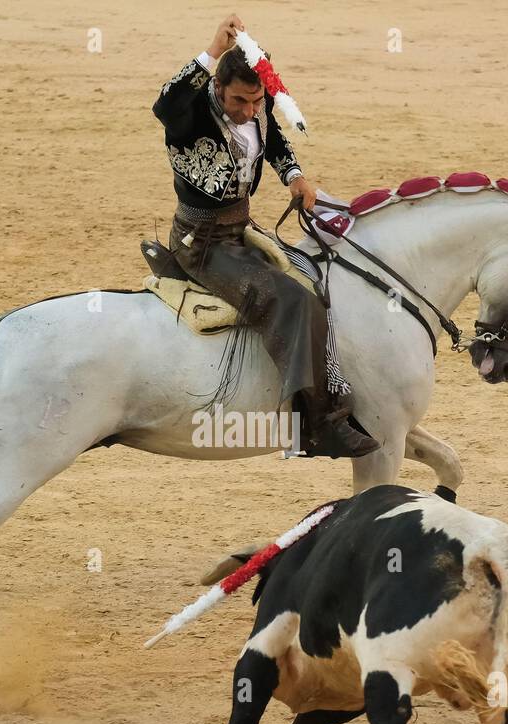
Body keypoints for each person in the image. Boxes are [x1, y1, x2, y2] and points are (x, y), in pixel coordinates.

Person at [152, 13, 379, 458]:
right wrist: (212, 51)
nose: (249, 110)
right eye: (239, 100)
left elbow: (272, 137)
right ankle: (316, 424)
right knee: (292, 300)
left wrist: (294, 176)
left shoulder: (258, 108)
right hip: (201, 244)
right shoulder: (190, 114)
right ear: (218, 87)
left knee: (317, 275)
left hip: (240, 230)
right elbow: (164, 104)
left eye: (257, 100)